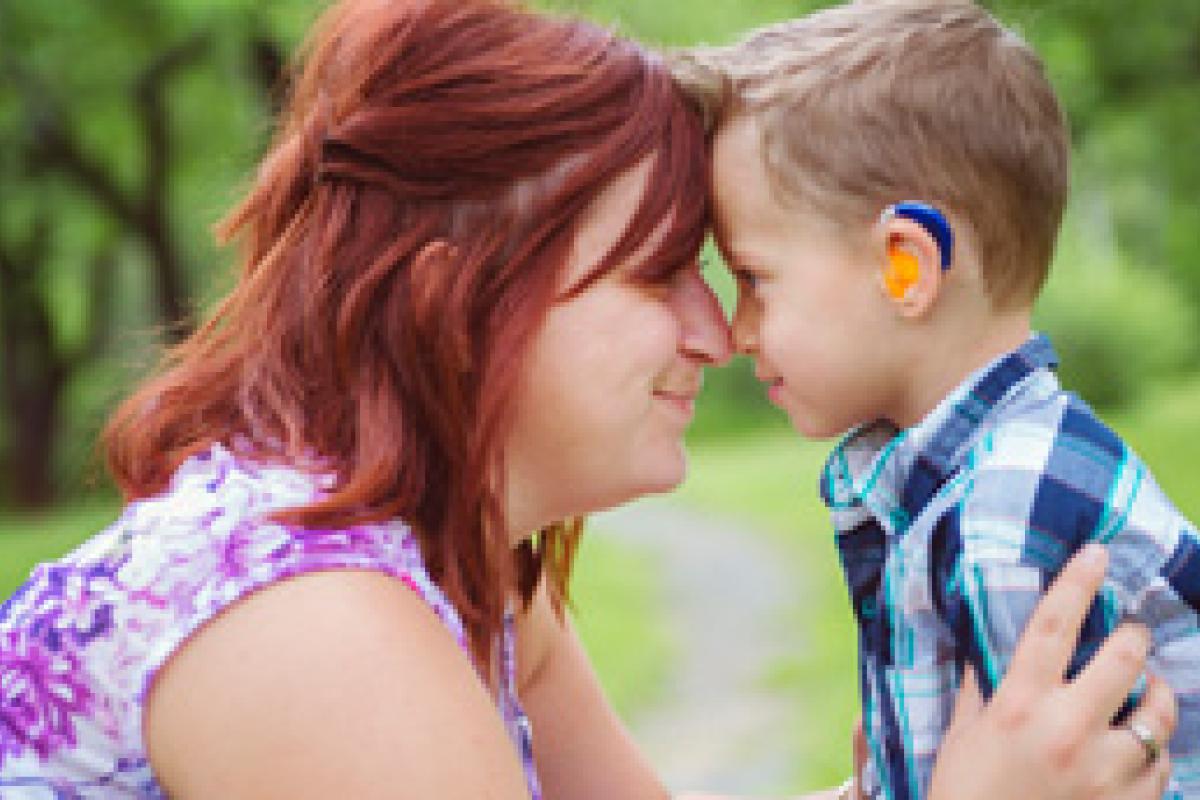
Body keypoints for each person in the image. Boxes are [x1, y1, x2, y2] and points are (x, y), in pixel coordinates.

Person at [0, 0, 1176, 798]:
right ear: (462, 298)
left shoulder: (467, 563)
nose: (715, 332)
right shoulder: (317, 628)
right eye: (660, 269)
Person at [673, 1, 1198, 798]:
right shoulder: (959, 487)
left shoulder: (1006, 517)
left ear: (905, 269)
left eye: (752, 278)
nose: (735, 330)